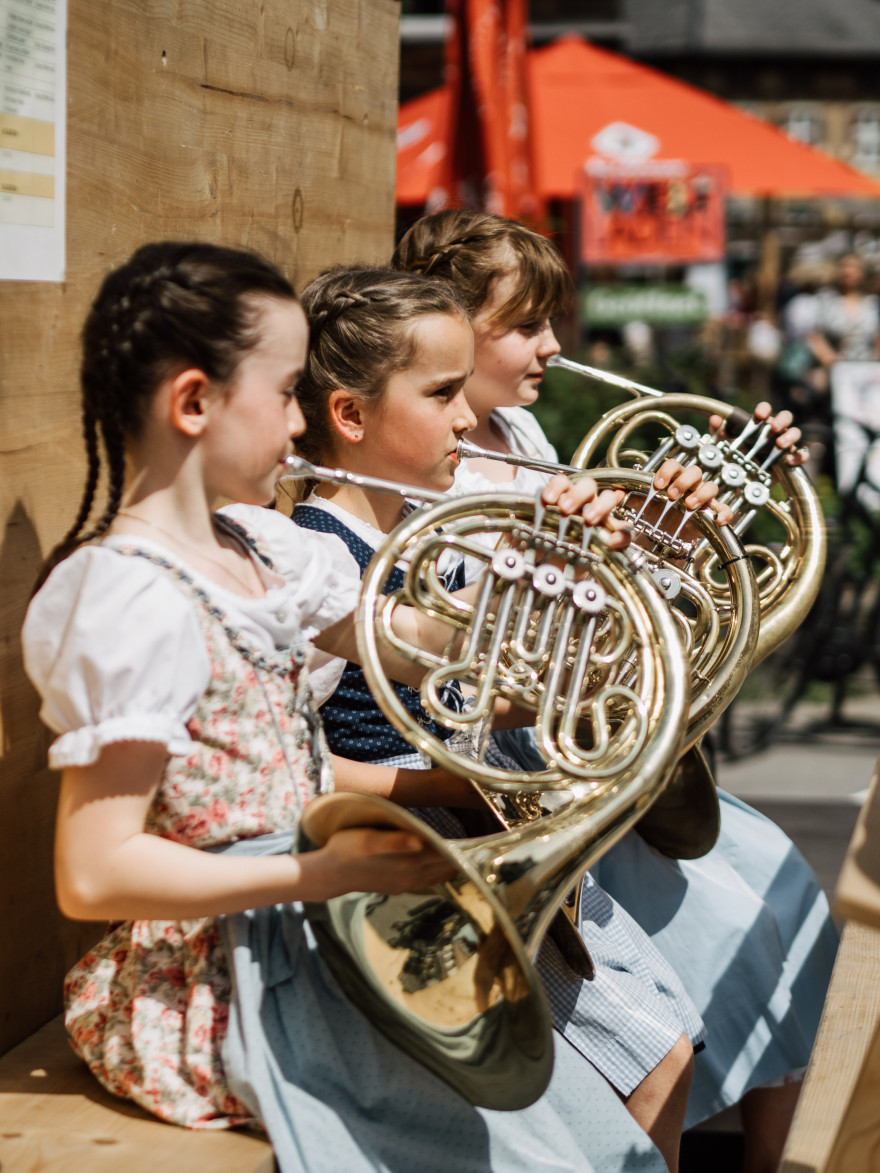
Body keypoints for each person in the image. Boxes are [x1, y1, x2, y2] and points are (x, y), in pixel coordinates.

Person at [21, 241, 671, 1173]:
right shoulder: (128, 597)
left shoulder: (263, 547)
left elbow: (428, 650)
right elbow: (94, 872)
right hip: (237, 969)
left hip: (331, 923)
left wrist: (570, 573)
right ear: (195, 403)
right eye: (286, 394)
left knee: (592, 1143)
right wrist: (313, 877)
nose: (300, 423)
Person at [392, 209, 840, 1173]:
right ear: (445, 326)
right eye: (525, 325)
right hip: (519, 763)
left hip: (576, 750)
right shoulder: (420, 470)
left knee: (778, 877)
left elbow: (611, 596)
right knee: (733, 917)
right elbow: (521, 630)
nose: (554, 344)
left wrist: (680, 521)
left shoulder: (518, 433)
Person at [286, 264, 721, 1173]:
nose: (462, 417)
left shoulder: (412, 531)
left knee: (666, 1045)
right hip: (428, 847)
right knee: (652, 1063)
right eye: (441, 393)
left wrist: (596, 564)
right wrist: (447, 779)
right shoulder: (325, 558)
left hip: (483, 823)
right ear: (350, 417)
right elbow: (299, 761)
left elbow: (487, 683)